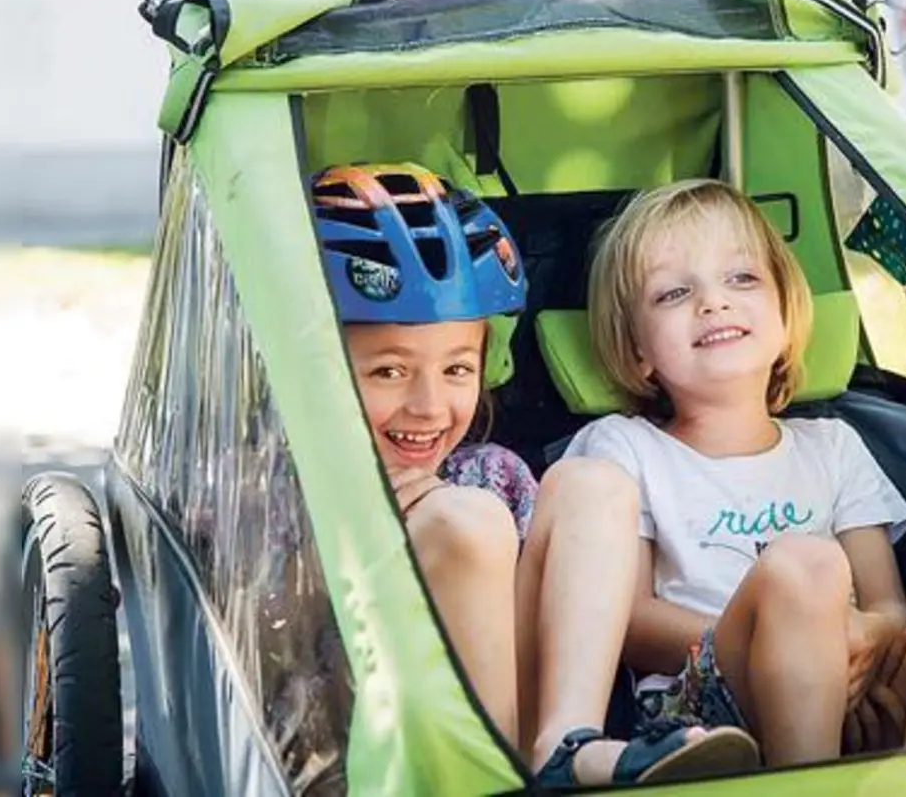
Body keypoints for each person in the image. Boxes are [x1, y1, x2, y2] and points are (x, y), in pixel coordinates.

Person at [311, 164, 761, 787]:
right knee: (463, 520)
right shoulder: (270, 494)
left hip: (517, 730)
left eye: (458, 370)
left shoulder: (492, 475)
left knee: (592, 485)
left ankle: (565, 747)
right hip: (390, 754)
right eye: (388, 372)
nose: (429, 407)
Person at [560, 178, 906, 767]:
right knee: (804, 564)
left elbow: (889, 605)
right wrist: (786, 644)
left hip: (863, 684)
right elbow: (627, 619)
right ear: (637, 351)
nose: (714, 302)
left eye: (742, 278)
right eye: (674, 292)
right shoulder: (625, 449)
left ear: (785, 313)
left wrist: (862, 639)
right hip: (707, 701)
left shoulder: (834, 445)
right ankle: (805, 781)